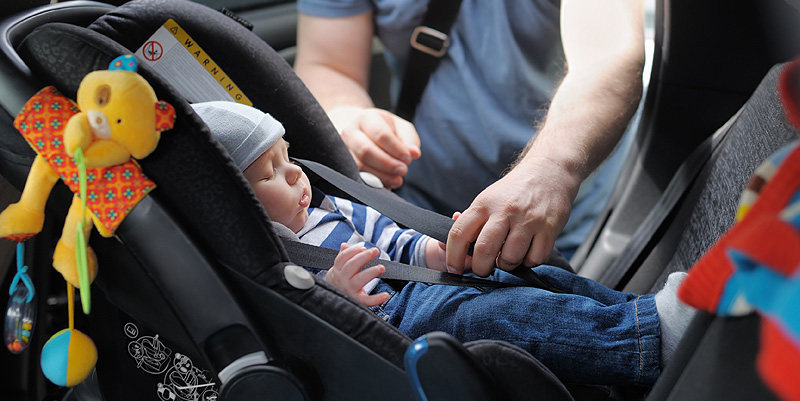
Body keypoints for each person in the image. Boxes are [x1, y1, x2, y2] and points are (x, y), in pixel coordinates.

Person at [191, 101, 695, 386]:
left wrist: (439, 251)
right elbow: (311, 321)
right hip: (394, 318)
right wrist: (341, 294)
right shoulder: (274, 257)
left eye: (288, 158)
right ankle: (643, 342)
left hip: (424, 281)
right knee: (494, 318)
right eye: (271, 174)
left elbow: (392, 239)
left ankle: (641, 313)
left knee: (531, 278)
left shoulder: (331, 208)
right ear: (238, 202)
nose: (296, 175)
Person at [293, 0, 646, 274]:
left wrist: (553, 167)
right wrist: (347, 116)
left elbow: (609, 54)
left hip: (572, 220)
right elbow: (328, 63)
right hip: (420, 216)